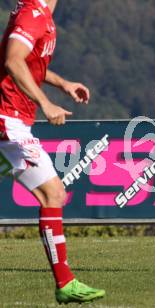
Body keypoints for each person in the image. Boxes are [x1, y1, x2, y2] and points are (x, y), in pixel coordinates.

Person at [0, 0, 105, 303]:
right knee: (53, 194)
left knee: (53, 194)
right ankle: (65, 283)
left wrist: (63, 83)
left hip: (13, 121)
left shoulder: (39, 14)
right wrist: (46, 103)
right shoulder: (32, 13)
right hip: (8, 122)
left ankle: (65, 283)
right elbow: (13, 61)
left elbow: (30, 64)